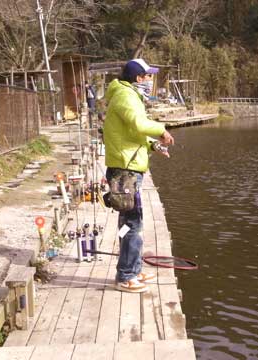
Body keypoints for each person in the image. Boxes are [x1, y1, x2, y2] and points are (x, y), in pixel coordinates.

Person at [103, 58, 174, 293]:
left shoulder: (128, 95)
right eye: (148, 76)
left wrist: (153, 145)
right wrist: (161, 130)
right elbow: (137, 123)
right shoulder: (126, 96)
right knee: (132, 222)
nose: (151, 80)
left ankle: (132, 268)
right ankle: (125, 276)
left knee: (129, 222)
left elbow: (132, 132)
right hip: (125, 169)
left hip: (128, 167)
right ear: (138, 78)